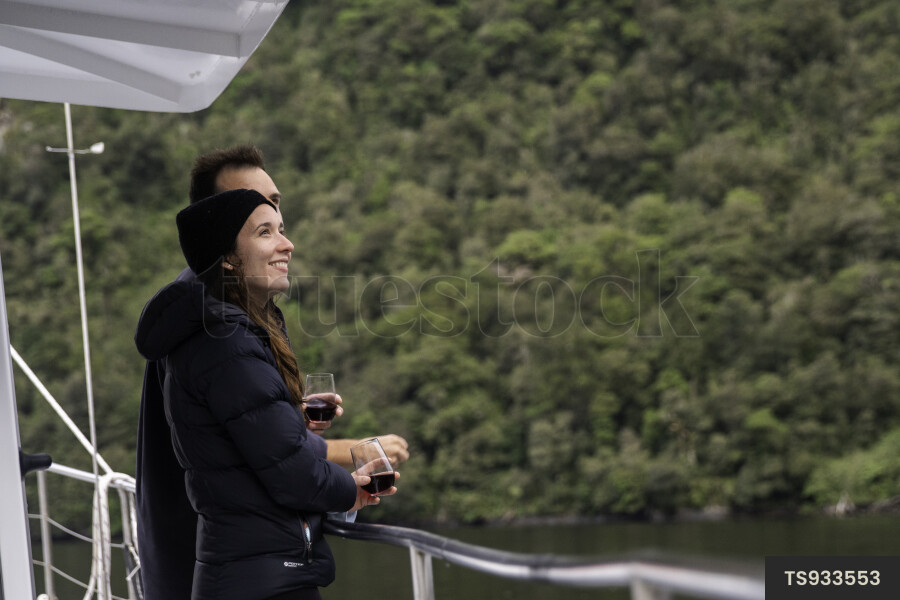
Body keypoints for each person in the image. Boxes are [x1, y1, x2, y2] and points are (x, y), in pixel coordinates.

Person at [135, 145, 409, 600]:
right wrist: (351, 486)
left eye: (275, 207)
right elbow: (274, 465)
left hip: (243, 560)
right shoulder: (211, 323)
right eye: (259, 221)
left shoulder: (228, 313)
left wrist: (285, 416)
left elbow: (236, 427)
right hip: (223, 560)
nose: (284, 238)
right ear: (219, 235)